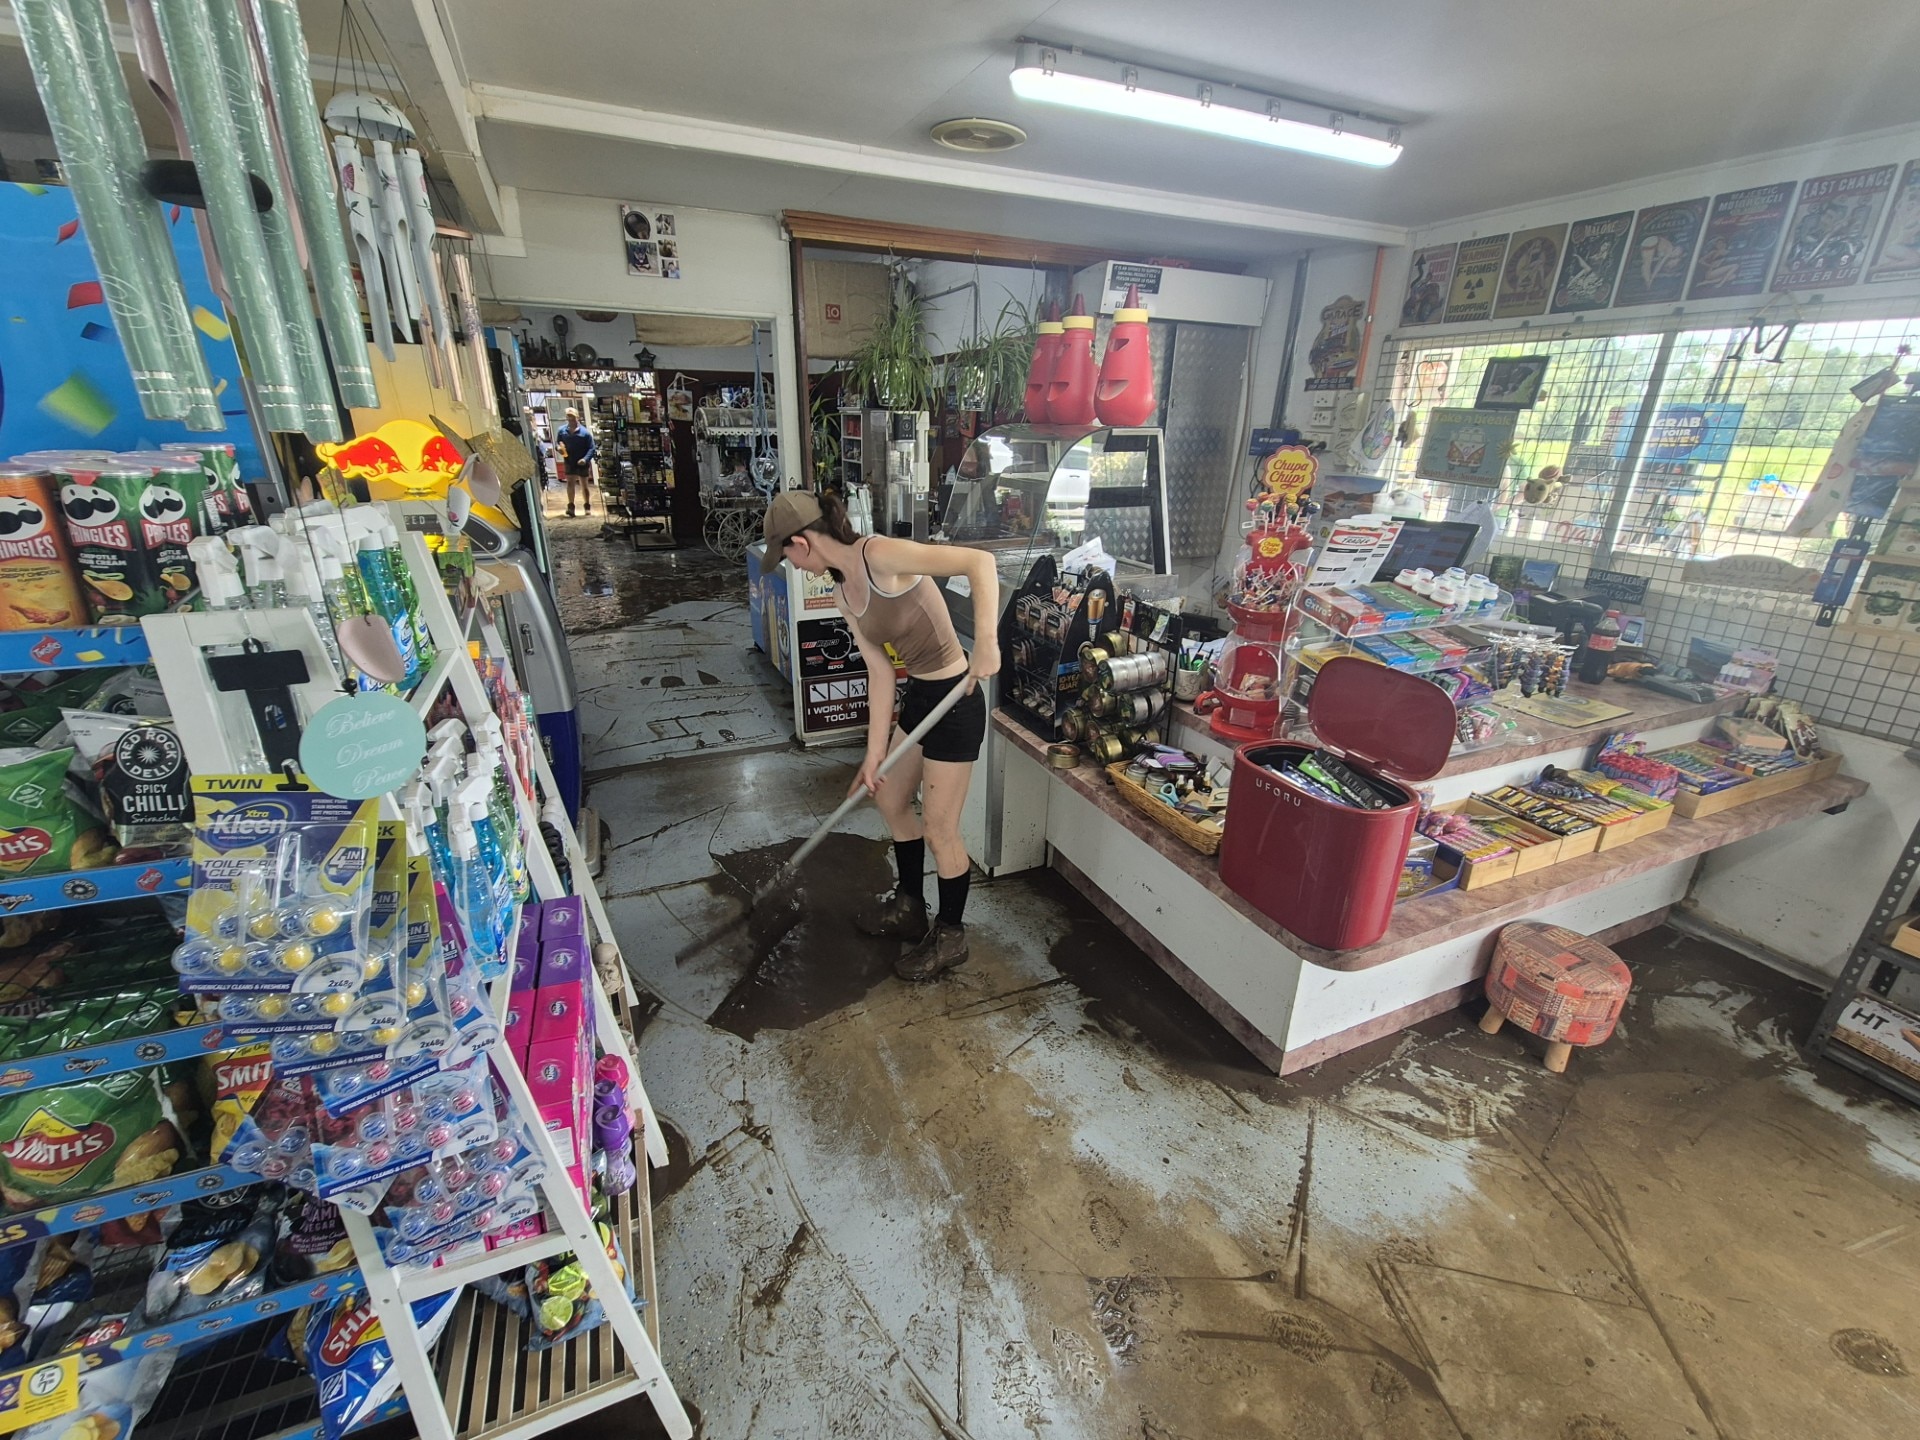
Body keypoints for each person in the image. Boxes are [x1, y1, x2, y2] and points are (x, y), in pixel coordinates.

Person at [762, 489, 1000, 980]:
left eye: (784, 552)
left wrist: (988, 643)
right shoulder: (842, 593)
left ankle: (951, 935)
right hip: (920, 701)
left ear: (802, 542)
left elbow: (980, 563)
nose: (788, 563)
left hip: (956, 699)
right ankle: (911, 907)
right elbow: (880, 673)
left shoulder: (880, 556)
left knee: (940, 828)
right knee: (890, 799)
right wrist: (873, 756)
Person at [555, 408, 597, 517]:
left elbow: (592, 448)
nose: (570, 419)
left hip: (581, 461)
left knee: (584, 485)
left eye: (572, 416)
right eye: (568, 416)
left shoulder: (585, 433)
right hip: (569, 460)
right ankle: (571, 506)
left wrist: (585, 459)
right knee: (570, 483)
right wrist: (559, 448)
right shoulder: (562, 431)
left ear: (577, 417)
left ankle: (587, 505)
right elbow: (558, 443)